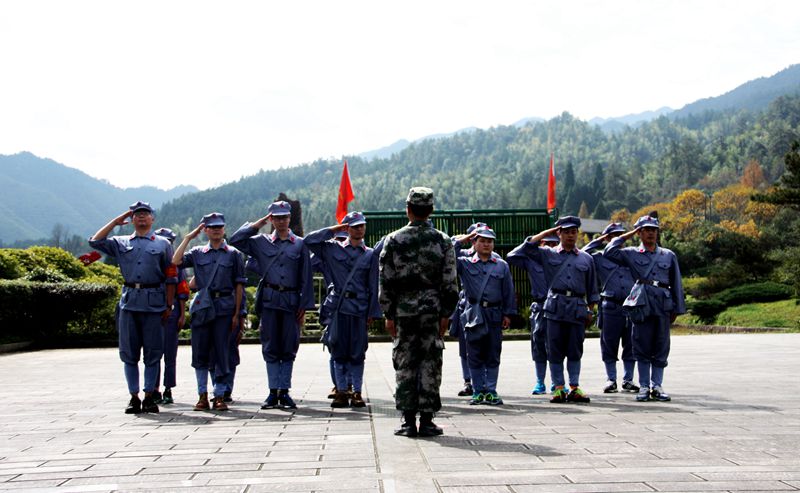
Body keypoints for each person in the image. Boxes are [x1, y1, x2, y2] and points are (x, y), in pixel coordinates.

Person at [379, 187, 458, 437]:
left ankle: (407, 420)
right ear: (431, 210)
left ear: (408, 209)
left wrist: (388, 313)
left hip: (403, 311)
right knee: (430, 362)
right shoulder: (443, 241)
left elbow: (386, 279)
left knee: (405, 362)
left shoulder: (393, 240)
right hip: (432, 311)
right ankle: (426, 420)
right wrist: (446, 312)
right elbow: (450, 282)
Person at [88, 201, 177, 414]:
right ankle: (133, 396)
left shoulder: (164, 244)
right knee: (129, 353)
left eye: (145, 214)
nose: (141, 218)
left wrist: (169, 304)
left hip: (154, 303)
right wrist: (115, 222)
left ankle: (149, 396)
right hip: (129, 303)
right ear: (132, 219)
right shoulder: (120, 241)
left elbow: (171, 276)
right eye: (137, 215)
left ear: (153, 218)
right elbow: (95, 241)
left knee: (153, 353)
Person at [230, 200, 315, 410]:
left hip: (291, 301)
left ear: (289, 218)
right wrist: (257, 224)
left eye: (285, 217)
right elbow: (236, 240)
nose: (282, 221)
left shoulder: (300, 244)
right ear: (271, 219)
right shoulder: (261, 242)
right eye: (276, 217)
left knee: (289, 346)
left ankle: (284, 391)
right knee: (270, 346)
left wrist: (304, 305)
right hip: (270, 300)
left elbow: (306, 276)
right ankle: (272, 392)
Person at [512, 216, 598, 404]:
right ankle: (559, 387)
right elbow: (524, 249)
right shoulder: (547, 254)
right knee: (555, 349)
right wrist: (548, 232)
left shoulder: (586, 259)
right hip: (555, 306)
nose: (570, 235)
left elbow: (592, 289)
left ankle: (574, 387)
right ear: (559, 233)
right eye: (566, 231)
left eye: (573, 232)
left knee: (575, 348)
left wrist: (590, 311)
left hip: (576, 307)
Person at [603, 215, 686, 402]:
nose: (651, 233)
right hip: (642, 304)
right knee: (641, 344)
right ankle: (644, 386)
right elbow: (609, 251)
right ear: (639, 233)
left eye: (653, 229)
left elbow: (676, 283)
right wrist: (628, 234)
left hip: (663, 304)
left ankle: (657, 385)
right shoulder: (631, 253)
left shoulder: (668, 255)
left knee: (661, 345)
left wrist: (676, 308)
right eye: (646, 230)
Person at [305, 211, 381, 408]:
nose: (360, 229)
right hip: (338, 307)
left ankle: (356, 391)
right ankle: (340, 390)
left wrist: (373, 312)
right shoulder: (332, 249)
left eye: (362, 225)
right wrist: (333, 230)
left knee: (358, 352)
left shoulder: (370, 254)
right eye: (355, 226)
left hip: (359, 308)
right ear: (346, 228)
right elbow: (309, 241)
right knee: (338, 349)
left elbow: (373, 284)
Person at [173, 212, 246, 412]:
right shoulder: (197, 252)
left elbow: (239, 286)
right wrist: (188, 238)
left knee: (222, 352)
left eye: (219, 227)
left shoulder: (233, 254)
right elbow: (175, 261)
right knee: (200, 351)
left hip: (224, 308)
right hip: (203, 309)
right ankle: (202, 395)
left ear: (224, 229)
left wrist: (237, 313)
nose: (216, 230)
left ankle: (219, 395)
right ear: (205, 230)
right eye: (212, 227)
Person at [455, 226, 516, 405]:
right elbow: (447, 253)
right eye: (482, 240)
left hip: (495, 313)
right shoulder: (465, 263)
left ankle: (491, 390)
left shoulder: (501, 265)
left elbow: (508, 292)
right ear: (474, 243)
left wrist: (508, 314)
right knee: (474, 353)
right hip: (474, 314)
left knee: (493, 352)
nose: (486, 244)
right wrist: (463, 239)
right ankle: (477, 390)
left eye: (489, 241)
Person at [582, 223, 639, 394]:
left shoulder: (630, 255)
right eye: (614, 235)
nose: (618, 239)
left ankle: (628, 380)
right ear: (606, 237)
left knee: (631, 344)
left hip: (631, 306)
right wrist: (600, 240)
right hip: (610, 305)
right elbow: (583, 252)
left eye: (621, 235)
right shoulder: (599, 257)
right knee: (609, 344)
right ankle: (611, 379)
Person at [508, 232, 559, 395]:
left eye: (554, 244)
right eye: (547, 244)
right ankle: (540, 381)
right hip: (540, 304)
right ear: (541, 244)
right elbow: (512, 256)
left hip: (558, 305)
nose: (551, 247)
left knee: (556, 345)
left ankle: (556, 382)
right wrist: (532, 241)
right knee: (538, 345)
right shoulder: (531, 261)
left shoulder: (561, 260)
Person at [449, 222, 489, 397]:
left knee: (487, 346)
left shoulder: (492, 257)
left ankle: (485, 381)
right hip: (468, 307)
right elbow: (449, 249)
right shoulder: (463, 256)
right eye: (477, 237)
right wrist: (463, 239)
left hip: (487, 308)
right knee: (465, 348)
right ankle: (468, 381)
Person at [152, 227, 190, 405]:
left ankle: (168, 388)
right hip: (152, 309)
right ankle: (153, 388)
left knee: (169, 353)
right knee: (153, 352)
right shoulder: (151, 261)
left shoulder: (176, 265)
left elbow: (182, 290)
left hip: (172, 310)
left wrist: (182, 314)